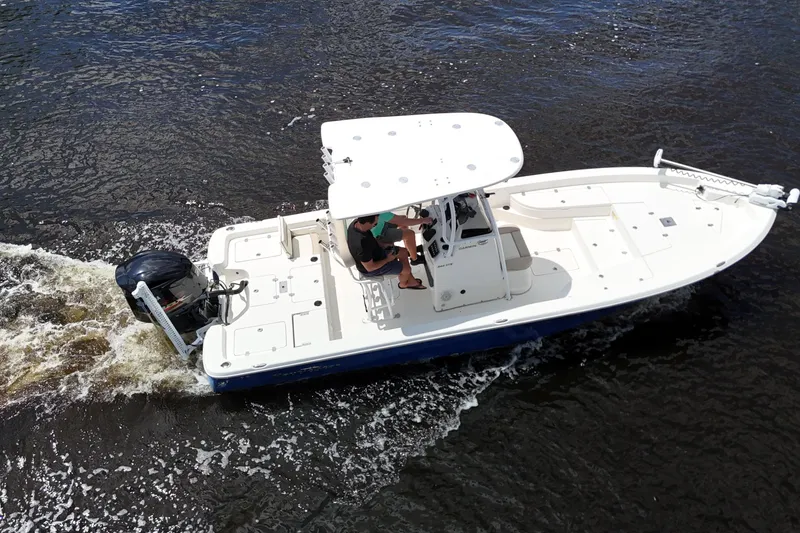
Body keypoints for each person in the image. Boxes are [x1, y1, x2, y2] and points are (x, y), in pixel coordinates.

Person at [347, 215, 427, 289]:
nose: (376, 224)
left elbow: (370, 238)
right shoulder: (362, 245)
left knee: (403, 251)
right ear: (367, 223)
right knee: (406, 269)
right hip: (371, 268)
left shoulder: (355, 224)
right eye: (375, 224)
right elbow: (370, 268)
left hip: (377, 253)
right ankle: (404, 284)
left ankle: (408, 277)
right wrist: (387, 260)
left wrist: (382, 244)